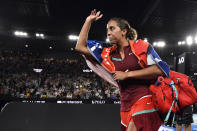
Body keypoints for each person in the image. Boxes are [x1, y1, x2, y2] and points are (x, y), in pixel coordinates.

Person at [75, 9, 167, 131]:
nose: (108, 33)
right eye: (107, 29)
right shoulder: (108, 53)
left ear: (124, 31)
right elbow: (80, 47)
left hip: (146, 98)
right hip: (125, 104)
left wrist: (127, 75)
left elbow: (159, 69)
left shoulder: (141, 46)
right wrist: (88, 21)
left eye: (112, 28)